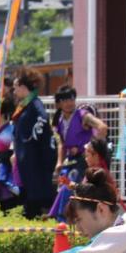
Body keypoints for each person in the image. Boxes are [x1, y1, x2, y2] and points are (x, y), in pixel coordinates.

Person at [48, 86, 108, 221]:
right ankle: (61, 218)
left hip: (83, 160)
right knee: (63, 186)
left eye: (71, 99)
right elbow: (61, 143)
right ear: (58, 103)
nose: (69, 102)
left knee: (69, 187)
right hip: (70, 161)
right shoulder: (58, 120)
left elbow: (102, 127)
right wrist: (59, 162)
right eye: (65, 100)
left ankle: (63, 220)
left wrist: (90, 148)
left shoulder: (83, 115)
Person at [10, 68, 57, 219]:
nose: (14, 90)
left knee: (36, 198)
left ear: (24, 87)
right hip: (26, 159)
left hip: (35, 160)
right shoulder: (25, 106)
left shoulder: (35, 105)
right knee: (29, 196)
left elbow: (42, 121)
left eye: (16, 86)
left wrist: (31, 138)